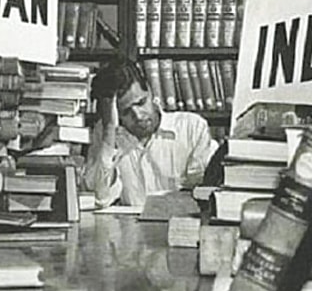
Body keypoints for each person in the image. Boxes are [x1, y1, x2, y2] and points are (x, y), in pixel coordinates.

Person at [83, 58, 219, 207]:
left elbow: (204, 196)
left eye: (141, 103)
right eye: (126, 112)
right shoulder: (106, 134)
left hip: (179, 227)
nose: (138, 116)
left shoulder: (192, 128)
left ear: (150, 90)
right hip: (129, 229)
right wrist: (109, 132)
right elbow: (100, 199)